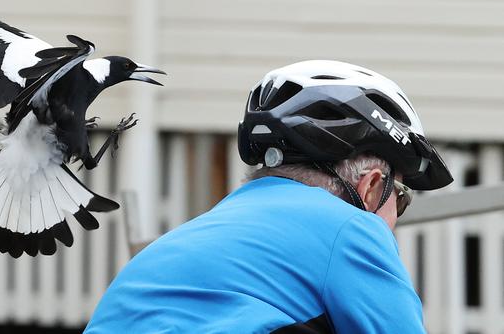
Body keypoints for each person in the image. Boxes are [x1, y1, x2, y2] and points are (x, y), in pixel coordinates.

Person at [83, 60, 453, 333]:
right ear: (371, 186)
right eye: (400, 197)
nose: (396, 216)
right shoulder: (351, 228)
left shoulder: (203, 231)